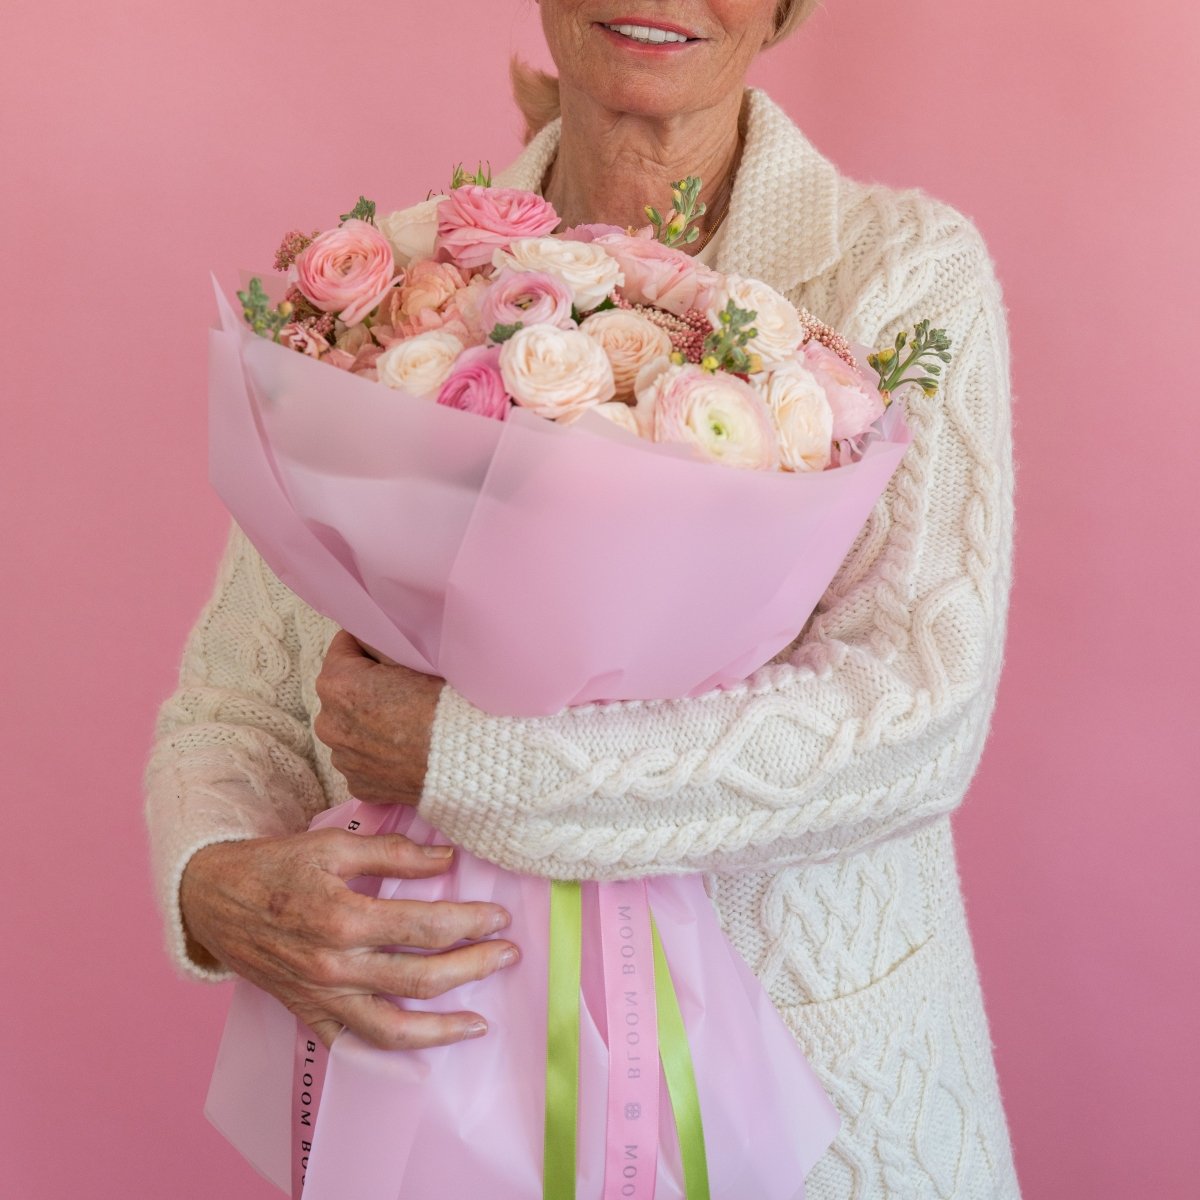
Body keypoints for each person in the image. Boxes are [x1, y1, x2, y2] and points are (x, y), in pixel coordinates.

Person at [146, 2, 1021, 1194]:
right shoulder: (384, 283)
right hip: (450, 1099)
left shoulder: (905, 272)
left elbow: (912, 721)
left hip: (826, 1109)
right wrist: (210, 876)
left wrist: (468, 758)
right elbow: (237, 697)